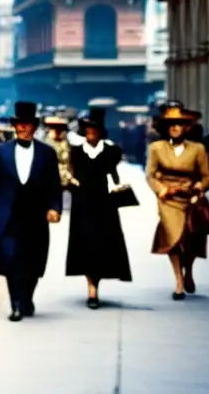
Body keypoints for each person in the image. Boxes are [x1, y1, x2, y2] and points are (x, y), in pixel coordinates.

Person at [0, 101, 63, 322]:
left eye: (28, 125)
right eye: (20, 125)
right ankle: (15, 303)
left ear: (35, 127)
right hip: (7, 215)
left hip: (36, 215)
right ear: (15, 127)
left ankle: (27, 298)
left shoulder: (47, 153)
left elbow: (54, 184)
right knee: (10, 259)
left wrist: (55, 208)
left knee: (33, 260)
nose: (24, 129)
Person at [65, 107, 131, 308]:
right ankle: (91, 288)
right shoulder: (76, 152)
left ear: (100, 131)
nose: (90, 132)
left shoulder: (111, 151)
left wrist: (119, 187)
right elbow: (69, 175)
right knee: (85, 244)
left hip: (104, 203)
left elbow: (116, 176)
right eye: (87, 129)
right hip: (83, 204)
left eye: (94, 129)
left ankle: (97, 281)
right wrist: (71, 182)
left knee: (103, 244)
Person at [146, 102, 209, 300]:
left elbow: (207, 176)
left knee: (191, 238)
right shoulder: (156, 148)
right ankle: (178, 281)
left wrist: (199, 189)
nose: (175, 128)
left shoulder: (198, 149)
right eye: (172, 124)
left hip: (190, 197)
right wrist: (161, 189)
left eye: (179, 124)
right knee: (172, 239)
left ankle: (189, 271)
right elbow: (150, 175)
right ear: (166, 127)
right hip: (167, 199)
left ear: (186, 127)